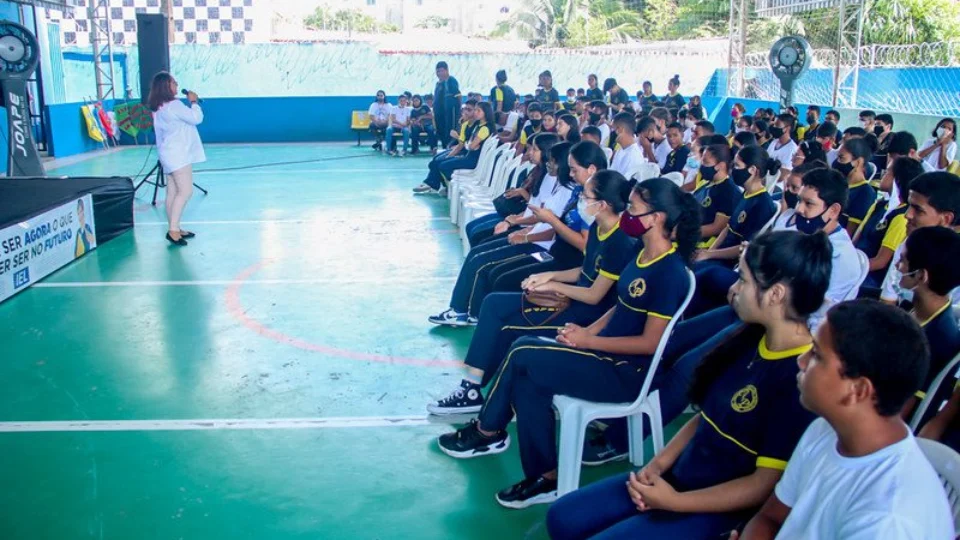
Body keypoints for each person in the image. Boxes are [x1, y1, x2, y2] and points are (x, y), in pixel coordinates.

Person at [437, 178, 701, 509]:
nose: (628, 215)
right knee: (529, 380)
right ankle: (545, 477)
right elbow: (621, 306)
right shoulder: (642, 252)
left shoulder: (671, 272)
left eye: (633, 209)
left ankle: (487, 431)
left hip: (625, 373)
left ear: (657, 217)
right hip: (601, 352)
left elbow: (651, 342)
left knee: (523, 349)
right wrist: (585, 332)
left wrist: (589, 340)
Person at [549, 230, 830, 539]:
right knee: (563, 518)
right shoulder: (747, 340)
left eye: (744, 281)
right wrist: (657, 466)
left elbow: (763, 484)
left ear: (775, 294)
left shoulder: (801, 379)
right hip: (681, 475)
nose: (734, 289)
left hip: (717, 509)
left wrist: (676, 502)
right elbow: (705, 417)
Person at [740, 300, 953, 540]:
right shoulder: (825, 429)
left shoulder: (888, 520)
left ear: (859, 390)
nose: (801, 360)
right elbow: (771, 518)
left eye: (816, 355)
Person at [427, 168, 633, 414]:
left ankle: (478, 393)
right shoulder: (601, 228)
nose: (580, 200)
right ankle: (471, 386)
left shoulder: (620, 241)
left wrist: (555, 285)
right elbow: (585, 271)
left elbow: (595, 294)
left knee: (506, 324)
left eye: (585, 197)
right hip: (573, 299)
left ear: (603, 204)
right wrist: (550, 275)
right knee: (493, 303)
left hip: (586, 316)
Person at [428, 137, 572, 326]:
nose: (548, 163)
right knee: (477, 253)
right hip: (531, 236)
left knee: (481, 262)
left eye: (551, 160)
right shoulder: (553, 181)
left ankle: (464, 312)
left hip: (540, 247)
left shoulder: (568, 190)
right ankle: (463, 309)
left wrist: (524, 235)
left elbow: (552, 228)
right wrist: (519, 227)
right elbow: (540, 217)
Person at [896, 227, 960, 426]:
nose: (898, 266)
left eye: (904, 261)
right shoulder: (913, 310)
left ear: (921, 276)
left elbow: (900, 411)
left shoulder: (938, 341)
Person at [880, 171, 960, 306]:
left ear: (946, 219)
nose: (907, 215)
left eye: (918, 210)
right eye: (909, 206)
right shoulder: (909, 244)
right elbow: (888, 302)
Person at [148, 71, 205, 246]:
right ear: (166, 86)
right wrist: (194, 102)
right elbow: (196, 118)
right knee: (186, 191)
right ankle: (173, 231)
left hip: (167, 154)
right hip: (178, 155)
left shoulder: (158, 107)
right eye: (174, 83)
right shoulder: (175, 105)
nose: (176, 85)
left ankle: (175, 227)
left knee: (172, 193)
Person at [855, 156, 923, 289]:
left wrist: (851, 270)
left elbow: (881, 261)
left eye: (887, 172)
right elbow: (856, 240)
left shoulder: (901, 216)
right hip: (856, 264)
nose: (883, 175)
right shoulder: (879, 205)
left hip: (870, 278)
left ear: (897, 180)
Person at [413, 100, 477, 195]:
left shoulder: (477, 127)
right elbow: (461, 143)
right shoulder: (465, 124)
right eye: (464, 109)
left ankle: (439, 186)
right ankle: (433, 184)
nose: (465, 112)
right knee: (435, 159)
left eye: (469, 110)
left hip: (466, 153)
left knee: (440, 162)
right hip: (461, 149)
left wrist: (456, 140)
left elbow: (467, 144)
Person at [694, 144, 742, 249]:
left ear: (720, 165)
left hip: (705, 242)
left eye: (705, 162)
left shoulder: (728, 192)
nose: (701, 165)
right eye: (702, 161)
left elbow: (717, 228)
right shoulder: (706, 183)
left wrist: (684, 233)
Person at [832, 137, 877, 235]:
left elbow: (850, 233)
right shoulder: (838, 184)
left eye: (841, 158)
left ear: (858, 162)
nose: (837, 162)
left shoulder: (865, 193)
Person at [433, 61, 461, 148]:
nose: (439, 73)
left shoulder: (451, 81)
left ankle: (450, 151)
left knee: (450, 133)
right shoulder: (438, 84)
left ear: (447, 70)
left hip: (449, 115)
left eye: (441, 71)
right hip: (439, 115)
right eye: (437, 71)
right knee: (441, 133)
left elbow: (458, 96)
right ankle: (445, 149)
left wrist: (457, 113)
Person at [609, 112, 644, 178]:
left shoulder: (632, 155)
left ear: (621, 129)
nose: (610, 131)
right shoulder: (622, 149)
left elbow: (620, 182)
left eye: (612, 128)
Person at [766, 114, 798, 183]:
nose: (774, 127)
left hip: (778, 185)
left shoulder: (792, 148)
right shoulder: (774, 142)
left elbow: (784, 175)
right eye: (774, 124)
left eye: (777, 125)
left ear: (787, 128)